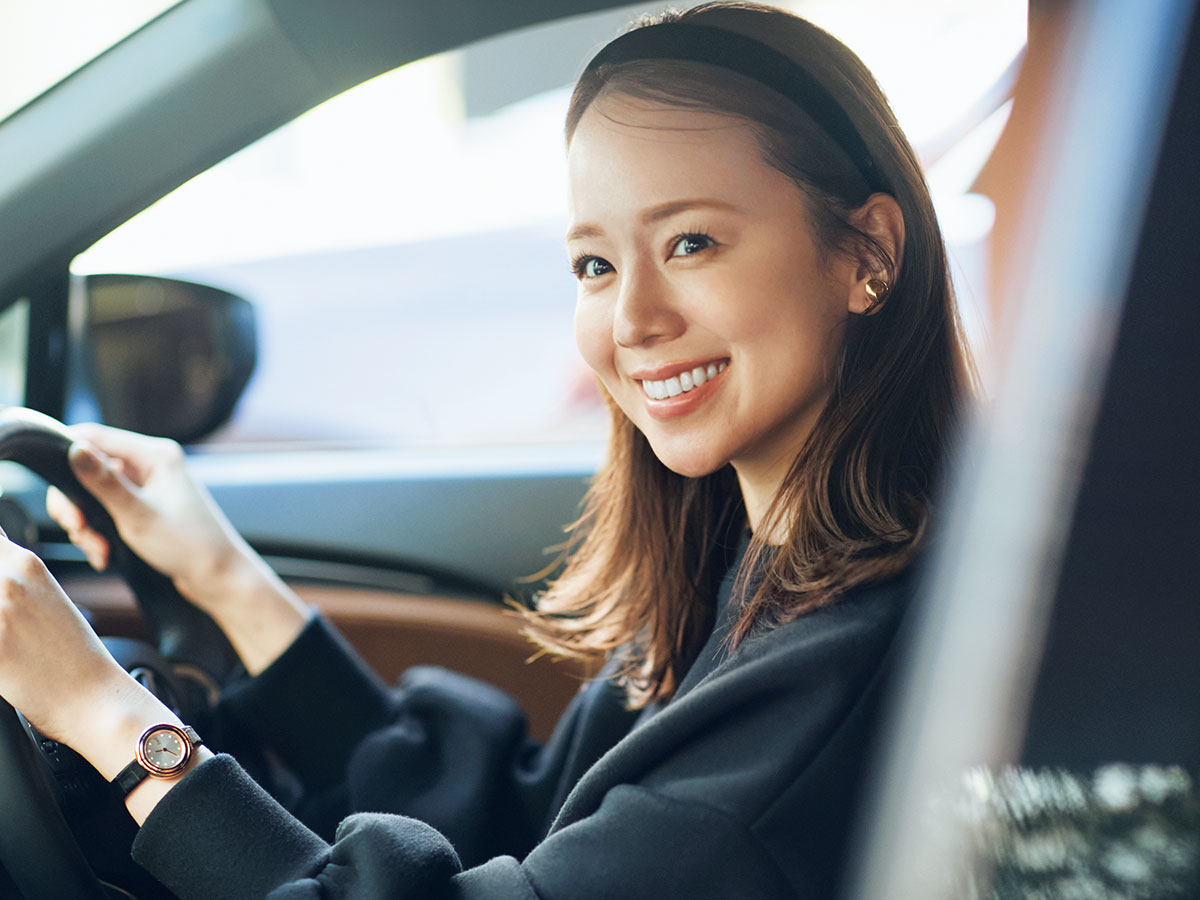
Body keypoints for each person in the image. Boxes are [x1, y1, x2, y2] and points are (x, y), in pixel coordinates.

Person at [0, 3, 971, 897]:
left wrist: (110, 719)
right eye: (595, 264)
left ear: (867, 254)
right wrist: (222, 576)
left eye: (691, 244)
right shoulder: (756, 576)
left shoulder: (833, 680)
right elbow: (532, 817)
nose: (631, 319)